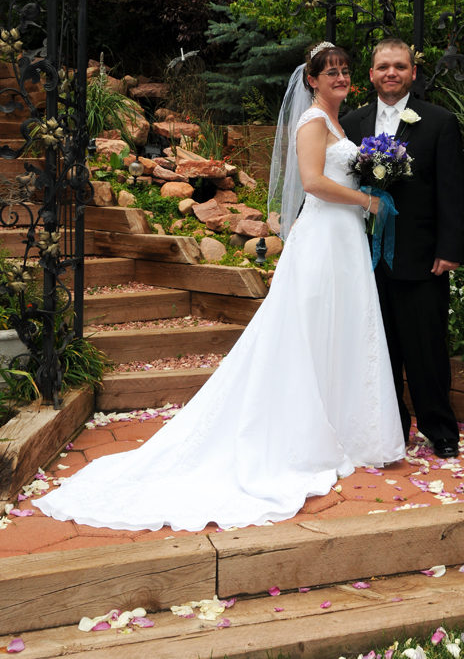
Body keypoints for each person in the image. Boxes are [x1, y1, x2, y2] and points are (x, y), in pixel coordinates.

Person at [33, 43, 405, 532]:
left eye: (343, 71)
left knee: (339, 328)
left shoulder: (339, 125)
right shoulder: (313, 123)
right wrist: (368, 200)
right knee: (307, 329)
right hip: (322, 239)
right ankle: (302, 434)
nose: (339, 77)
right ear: (311, 80)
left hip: (344, 240)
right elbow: (312, 182)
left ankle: (341, 429)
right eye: (329, 72)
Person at [341, 38, 464, 459]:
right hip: (364, 258)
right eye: (383, 66)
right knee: (379, 347)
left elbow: (453, 191)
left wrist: (449, 249)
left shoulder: (439, 121)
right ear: (372, 74)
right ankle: (391, 429)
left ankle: (441, 429)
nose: (390, 73)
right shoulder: (351, 123)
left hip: (421, 256)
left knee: (427, 348)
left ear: (413, 73)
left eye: (399, 66)